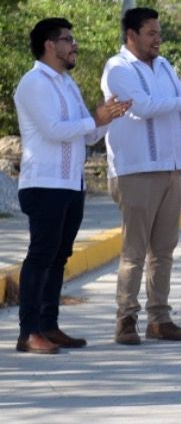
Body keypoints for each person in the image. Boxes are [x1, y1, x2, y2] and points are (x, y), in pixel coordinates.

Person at [14, 19, 131, 354]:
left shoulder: (68, 84)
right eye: (68, 40)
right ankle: (29, 331)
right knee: (41, 255)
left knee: (59, 256)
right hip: (44, 183)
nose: (74, 45)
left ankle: (49, 325)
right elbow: (53, 130)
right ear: (50, 45)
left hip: (70, 183)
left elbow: (87, 133)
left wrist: (109, 118)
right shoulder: (34, 82)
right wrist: (94, 119)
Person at [101, 7, 181, 346]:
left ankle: (159, 318)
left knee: (164, 249)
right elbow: (141, 107)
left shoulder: (164, 66)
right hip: (135, 170)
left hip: (170, 168)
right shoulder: (117, 68)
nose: (157, 39)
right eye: (150, 32)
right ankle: (126, 319)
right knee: (134, 250)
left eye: (158, 32)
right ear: (131, 35)